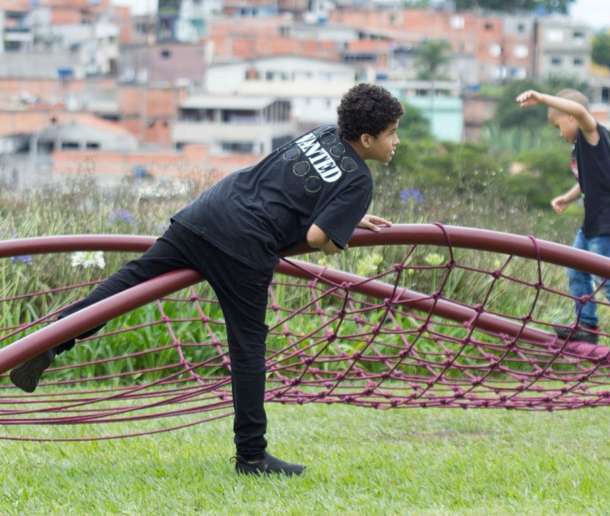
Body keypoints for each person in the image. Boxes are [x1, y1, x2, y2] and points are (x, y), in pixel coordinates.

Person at [10, 83, 403, 476]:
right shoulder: (360, 181)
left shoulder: (321, 134)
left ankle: (48, 342)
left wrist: (342, 214)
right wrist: (339, 232)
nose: (396, 142)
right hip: (244, 245)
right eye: (392, 133)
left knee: (127, 285)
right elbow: (320, 237)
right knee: (248, 348)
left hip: (209, 211)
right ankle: (252, 457)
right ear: (367, 139)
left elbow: (297, 189)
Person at [515, 88, 610, 352]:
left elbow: (581, 111)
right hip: (594, 220)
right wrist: (567, 198)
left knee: (605, 276)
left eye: (559, 126)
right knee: (575, 268)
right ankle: (586, 326)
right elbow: (585, 182)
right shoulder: (578, 149)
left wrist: (543, 98)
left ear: (570, 117)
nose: (560, 134)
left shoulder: (593, 135)